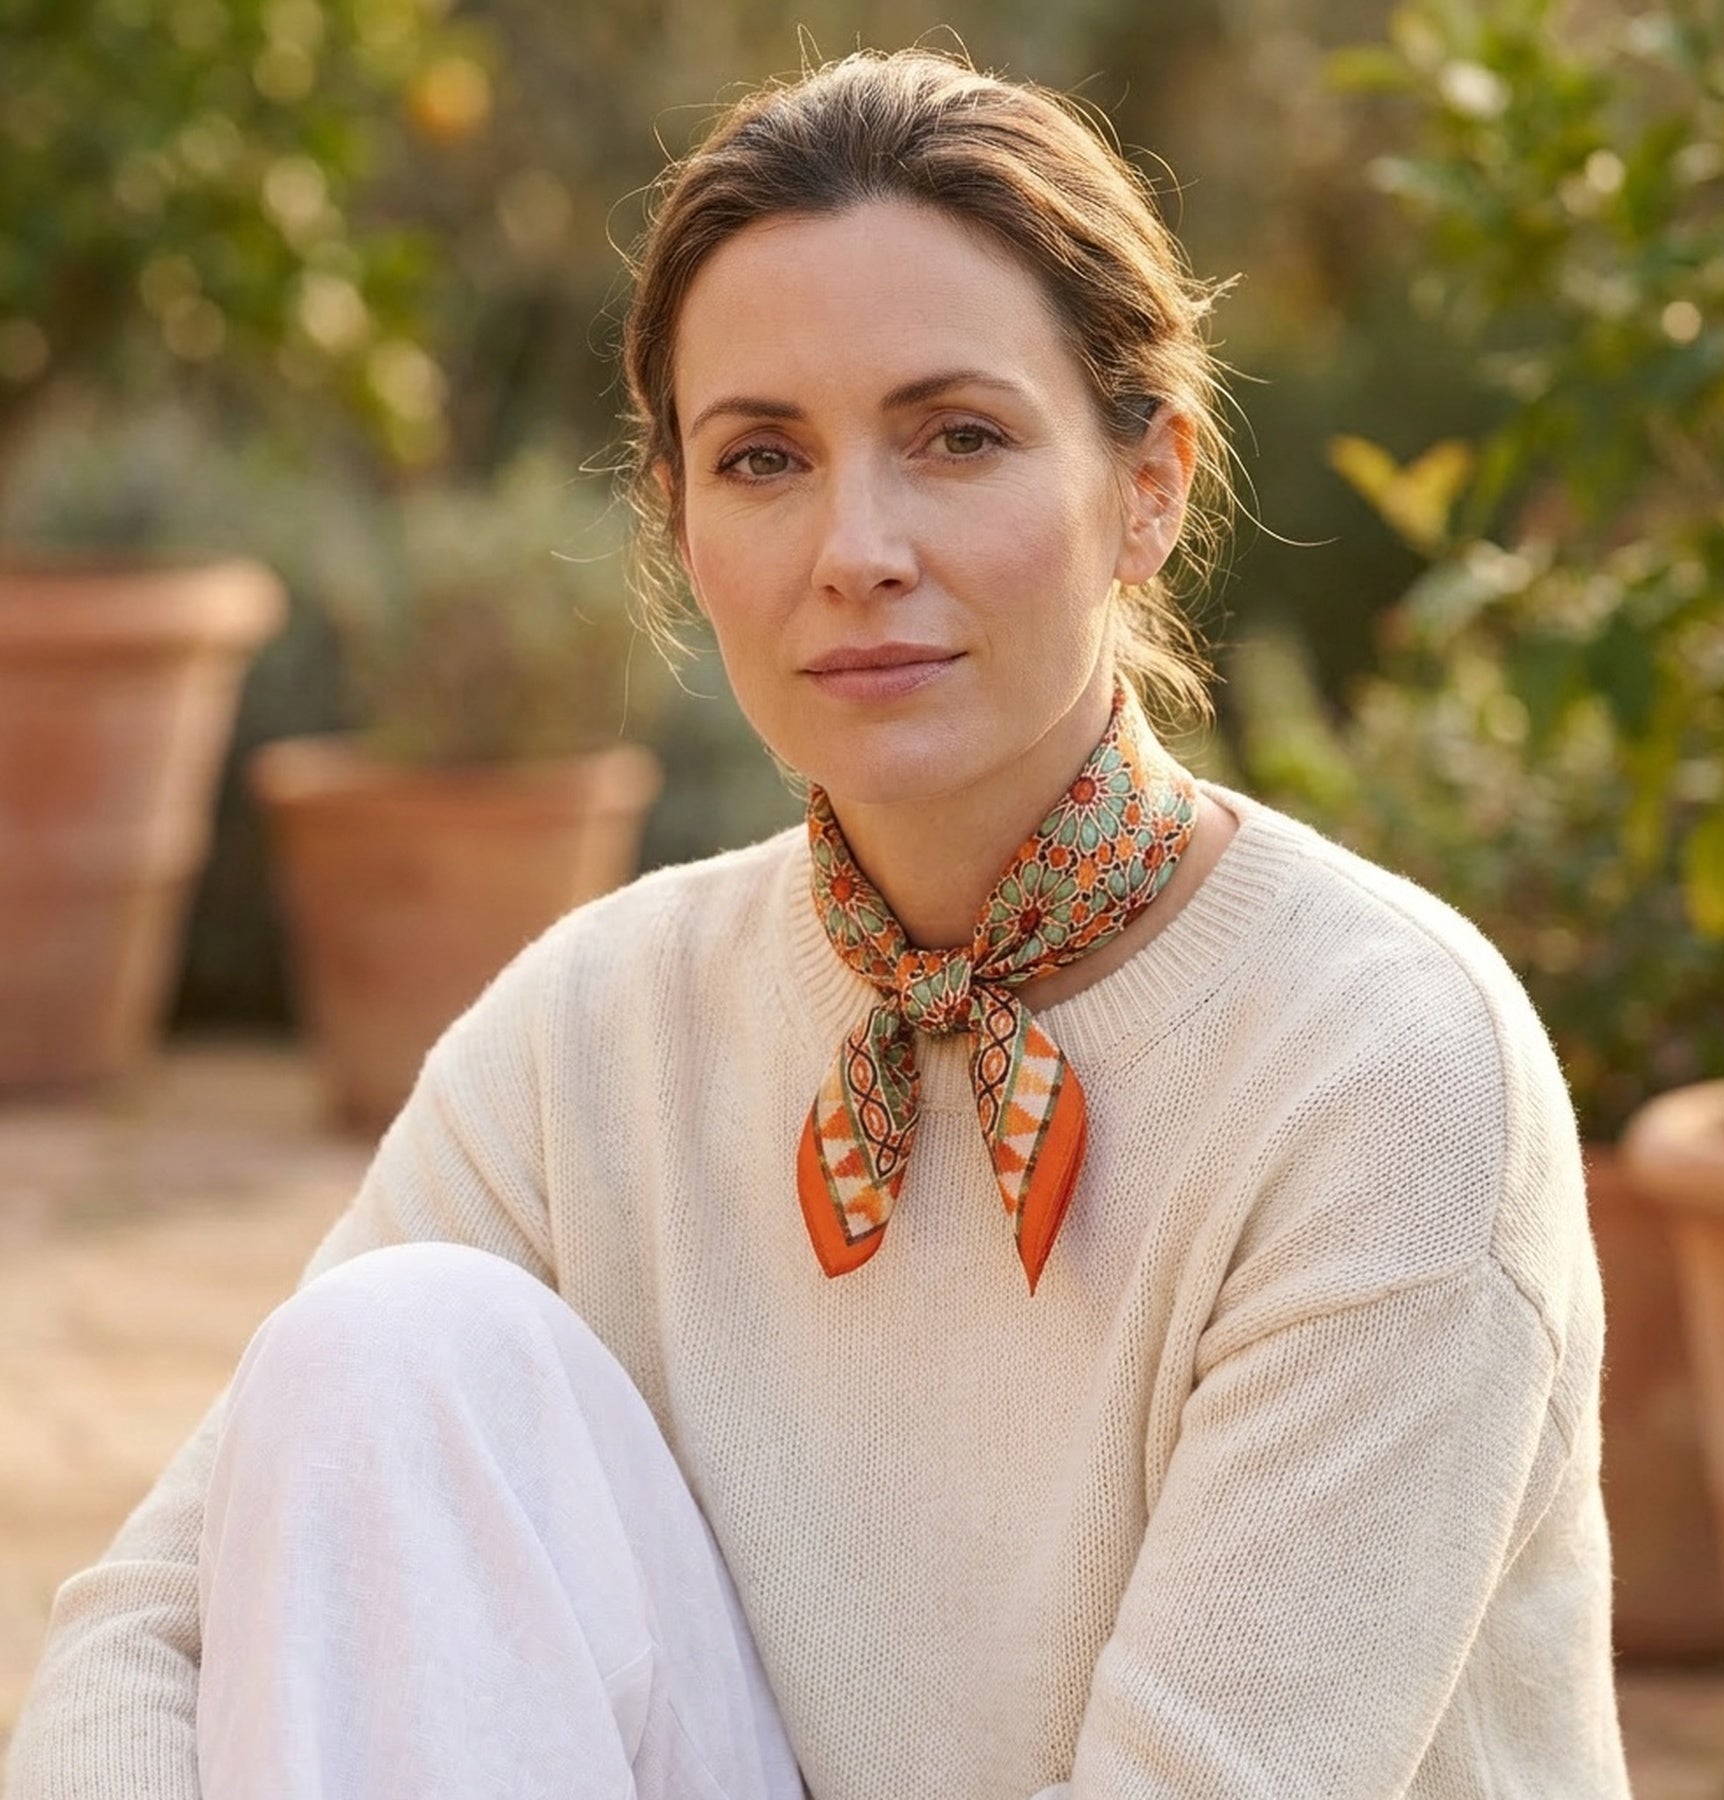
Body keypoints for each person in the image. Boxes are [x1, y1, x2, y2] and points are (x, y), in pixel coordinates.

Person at [6, 47, 1630, 1800]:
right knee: (383, 1356)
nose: (856, 548)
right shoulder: (596, 1029)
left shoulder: (1385, 1071)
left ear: (1147, 484)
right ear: (681, 523)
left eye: (959, 438)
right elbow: (151, 1630)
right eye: (765, 457)